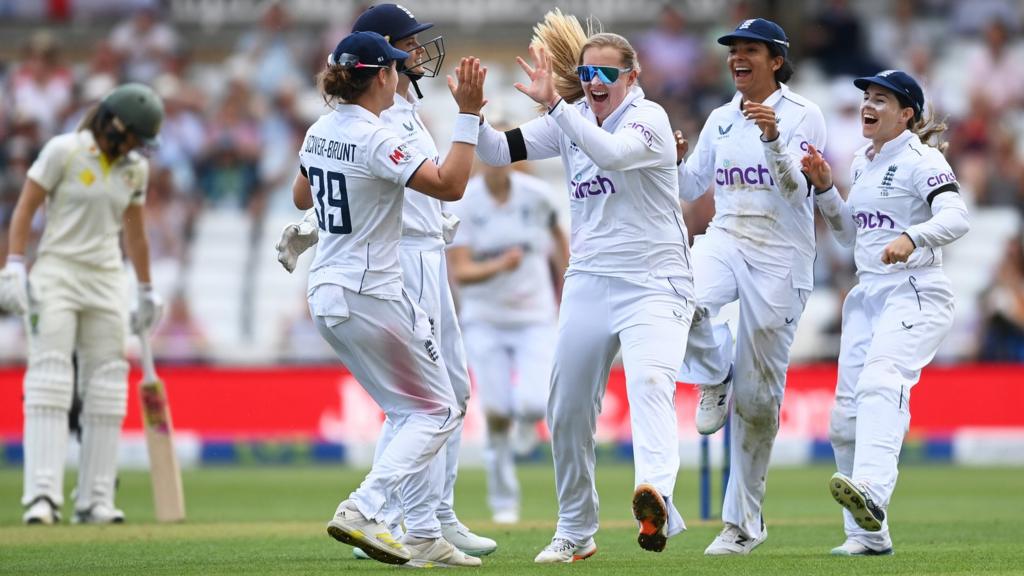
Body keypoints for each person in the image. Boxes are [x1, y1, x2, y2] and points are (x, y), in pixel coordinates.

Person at [275, 3, 496, 560]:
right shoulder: (378, 132)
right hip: (378, 282)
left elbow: (306, 195)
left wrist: (321, 218)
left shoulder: (322, 126)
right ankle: (373, 511)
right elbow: (449, 185)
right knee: (437, 408)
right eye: (397, 60)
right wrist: (469, 113)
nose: (406, 66)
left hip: (330, 287)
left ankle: (419, 527)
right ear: (378, 74)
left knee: (418, 407)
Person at [475, 11, 696, 562]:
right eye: (587, 74)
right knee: (567, 406)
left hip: (655, 281)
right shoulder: (569, 118)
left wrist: (555, 107)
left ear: (633, 77)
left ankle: (657, 500)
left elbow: (611, 154)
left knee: (649, 383)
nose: (595, 84)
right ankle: (575, 529)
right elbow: (497, 152)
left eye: (607, 75)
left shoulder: (648, 119)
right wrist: (468, 115)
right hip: (591, 279)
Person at [673, 18, 826, 555]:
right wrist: (669, 158)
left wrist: (773, 139)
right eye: (733, 50)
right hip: (726, 235)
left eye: (750, 51)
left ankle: (744, 524)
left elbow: (795, 191)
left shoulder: (805, 115)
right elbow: (692, 185)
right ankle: (713, 372)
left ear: (776, 60)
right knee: (680, 298)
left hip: (781, 257)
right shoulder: (719, 118)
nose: (738, 58)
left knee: (758, 402)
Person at [805, 69, 969, 556]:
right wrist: (825, 189)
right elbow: (850, 235)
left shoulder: (924, 160)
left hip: (915, 289)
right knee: (843, 420)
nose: (868, 105)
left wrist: (912, 237)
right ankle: (867, 536)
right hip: (868, 296)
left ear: (907, 114)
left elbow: (957, 216)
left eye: (881, 99)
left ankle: (872, 493)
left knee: (881, 381)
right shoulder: (862, 161)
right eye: (866, 98)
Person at [0, 83, 165, 524]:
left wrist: (146, 289)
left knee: (108, 385)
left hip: (107, 279)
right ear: (115, 125)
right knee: (50, 380)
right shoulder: (64, 151)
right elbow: (26, 208)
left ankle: (95, 500)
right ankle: (42, 497)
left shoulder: (134, 171)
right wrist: (14, 263)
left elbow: (135, 233)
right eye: (135, 138)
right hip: (57, 272)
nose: (138, 149)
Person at [446, 159, 569, 525]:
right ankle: (503, 498)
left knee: (534, 402)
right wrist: (500, 265)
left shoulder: (538, 196)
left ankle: (529, 420)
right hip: (485, 319)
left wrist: (568, 287)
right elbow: (462, 272)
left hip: (535, 316)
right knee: (497, 413)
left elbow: (560, 240)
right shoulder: (463, 204)